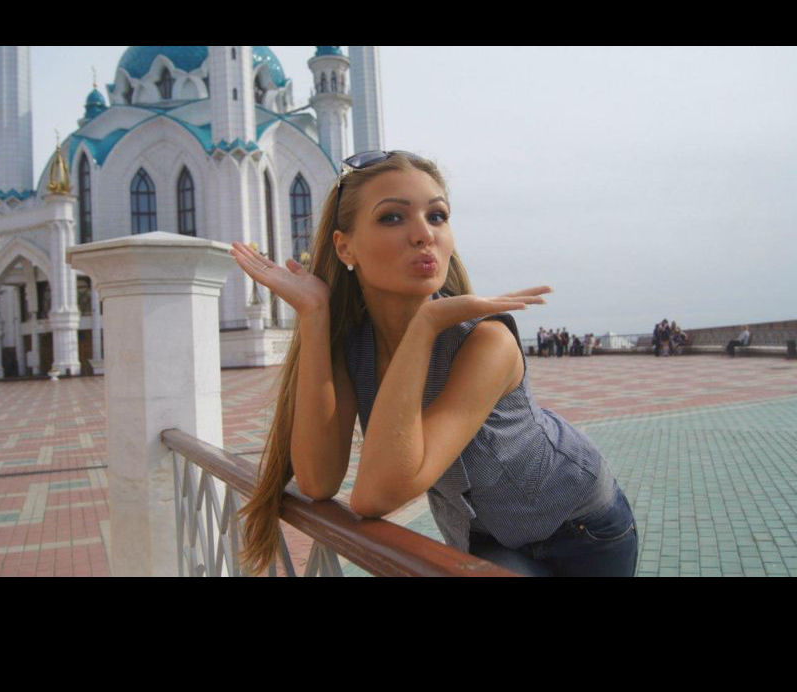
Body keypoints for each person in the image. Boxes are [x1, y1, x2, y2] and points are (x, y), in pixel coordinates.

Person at [230, 150, 637, 578]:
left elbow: (372, 498)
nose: (424, 234)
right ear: (345, 246)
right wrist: (314, 315)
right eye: (392, 217)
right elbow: (318, 481)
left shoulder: (487, 342)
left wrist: (424, 326)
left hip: (582, 530)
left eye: (437, 216)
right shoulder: (355, 346)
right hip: (484, 536)